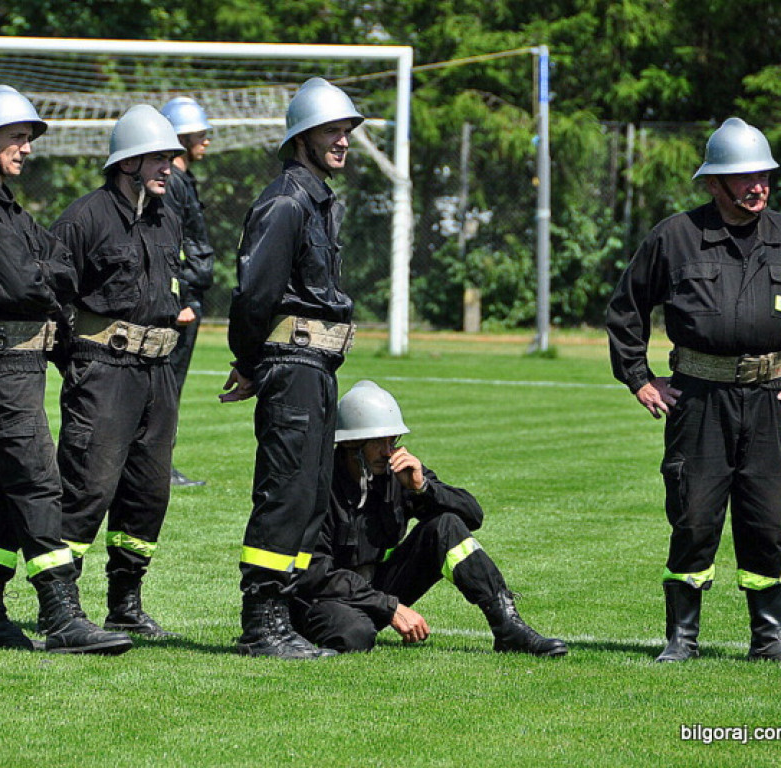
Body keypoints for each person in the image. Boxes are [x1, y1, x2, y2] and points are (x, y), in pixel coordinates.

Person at [0, 85, 131, 655]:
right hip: (1, 359)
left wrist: (44, 275)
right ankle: (60, 612)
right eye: (18, 138)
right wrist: (45, 278)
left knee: (0, 486)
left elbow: (58, 264)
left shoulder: (3, 202)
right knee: (36, 480)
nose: (27, 149)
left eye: (28, 139)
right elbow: (22, 283)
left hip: (19, 359)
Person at [607, 117, 781, 663]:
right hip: (699, 400)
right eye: (744, 177)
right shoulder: (675, 237)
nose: (758, 187)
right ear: (714, 183)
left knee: (770, 521)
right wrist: (639, 377)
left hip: (771, 402)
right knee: (694, 516)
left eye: (764, 176)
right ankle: (681, 638)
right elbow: (626, 308)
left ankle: (770, 638)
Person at [220, 77, 362, 659]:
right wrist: (250, 362)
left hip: (317, 367)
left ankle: (290, 613)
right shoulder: (287, 201)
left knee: (309, 495)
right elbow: (254, 295)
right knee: (284, 494)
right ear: (302, 137)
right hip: (292, 365)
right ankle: (262, 624)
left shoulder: (321, 201)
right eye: (333, 130)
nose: (345, 142)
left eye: (348, 132)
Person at [292, 380, 568, 656]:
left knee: (446, 525)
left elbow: (472, 516)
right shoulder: (318, 485)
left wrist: (423, 488)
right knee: (355, 635)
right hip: (323, 595)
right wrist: (390, 607)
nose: (389, 451)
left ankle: (508, 628)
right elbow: (316, 572)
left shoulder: (398, 473)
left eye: (393, 440)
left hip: (371, 590)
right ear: (351, 443)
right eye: (378, 441)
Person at [51, 105, 185, 638]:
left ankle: (125, 603)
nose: (168, 167)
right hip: (103, 372)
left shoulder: (165, 217)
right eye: (158, 157)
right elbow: (53, 295)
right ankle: (62, 605)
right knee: (87, 488)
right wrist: (78, 366)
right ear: (127, 162)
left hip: (157, 375)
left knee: (148, 494)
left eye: (171, 157)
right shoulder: (84, 217)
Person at [160, 96, 215, 487]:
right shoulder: (174, 183)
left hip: (190, 297)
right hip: (183, 302)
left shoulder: (182, 180)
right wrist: (179, 300)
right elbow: (170, 242)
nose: (206, 140)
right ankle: (160, 467)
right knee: (167, 387)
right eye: (199, 133)